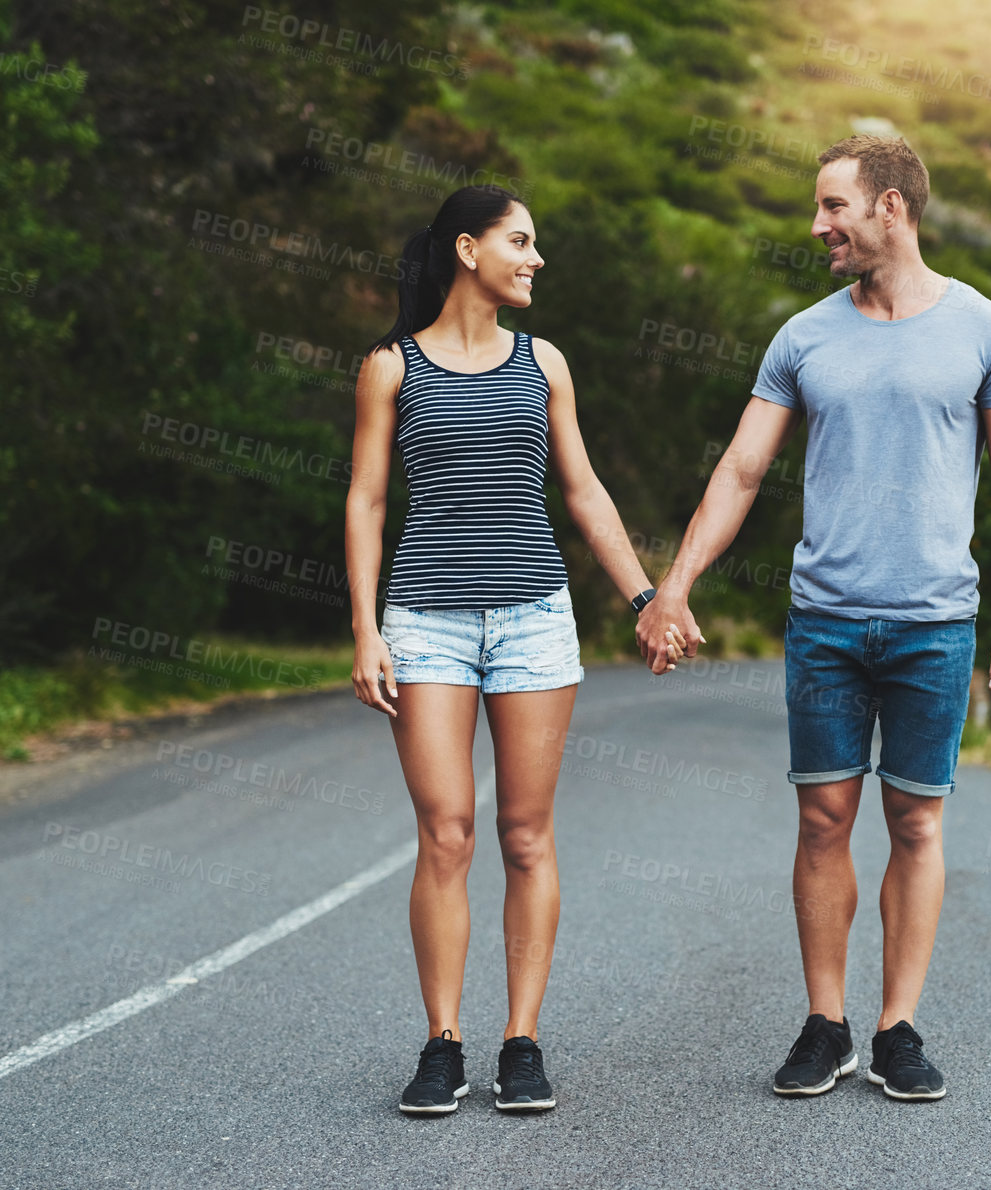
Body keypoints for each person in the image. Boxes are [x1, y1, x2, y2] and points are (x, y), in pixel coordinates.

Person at [634, 135, 991, 1101]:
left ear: (890, 207)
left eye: (833, 207)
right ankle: (827, 1024)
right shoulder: (804, 337)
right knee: (823, 820)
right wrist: (674, 584)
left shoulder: (987, 330)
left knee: (915, 823)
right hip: (824, 620)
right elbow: (739, 470)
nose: (817, 225)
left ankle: (899, 1026)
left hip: (934, 624)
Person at [346, 184, 685, 1115]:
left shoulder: (544, 364)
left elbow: (582, 491)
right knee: (445, 832)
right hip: (426, 622)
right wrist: (365, 627)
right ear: (467, 248)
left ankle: (521, 1042)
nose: (536, 260)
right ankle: (442, 1043)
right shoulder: (392, 366)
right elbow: (367, 500)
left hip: (534, 619)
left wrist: (647, 598)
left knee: (524, 835)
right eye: (521, 241)